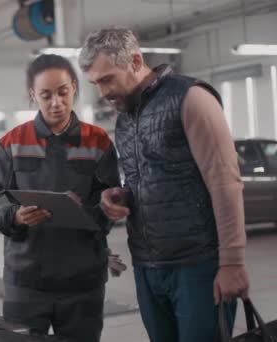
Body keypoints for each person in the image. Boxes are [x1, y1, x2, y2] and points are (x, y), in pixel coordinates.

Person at [78, 27, 250, 342]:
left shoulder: (191, 98)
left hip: (198, 266)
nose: (102, 92)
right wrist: (119, 196)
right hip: (148, 266)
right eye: (95, 83)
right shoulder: (125, 117)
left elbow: (225, 182)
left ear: (135, 60)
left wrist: (233, 262)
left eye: (107, 79)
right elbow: (147, 179)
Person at [0, 53, 121, 341]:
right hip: (26, 283)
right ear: (33, 95)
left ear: (74, 87)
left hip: (83, 283)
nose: (56, 102)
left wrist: (97, 210)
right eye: (46, 95)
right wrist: (15, 216)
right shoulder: (12, 143)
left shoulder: (98, 142)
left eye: (63, 92)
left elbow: (108, 206)